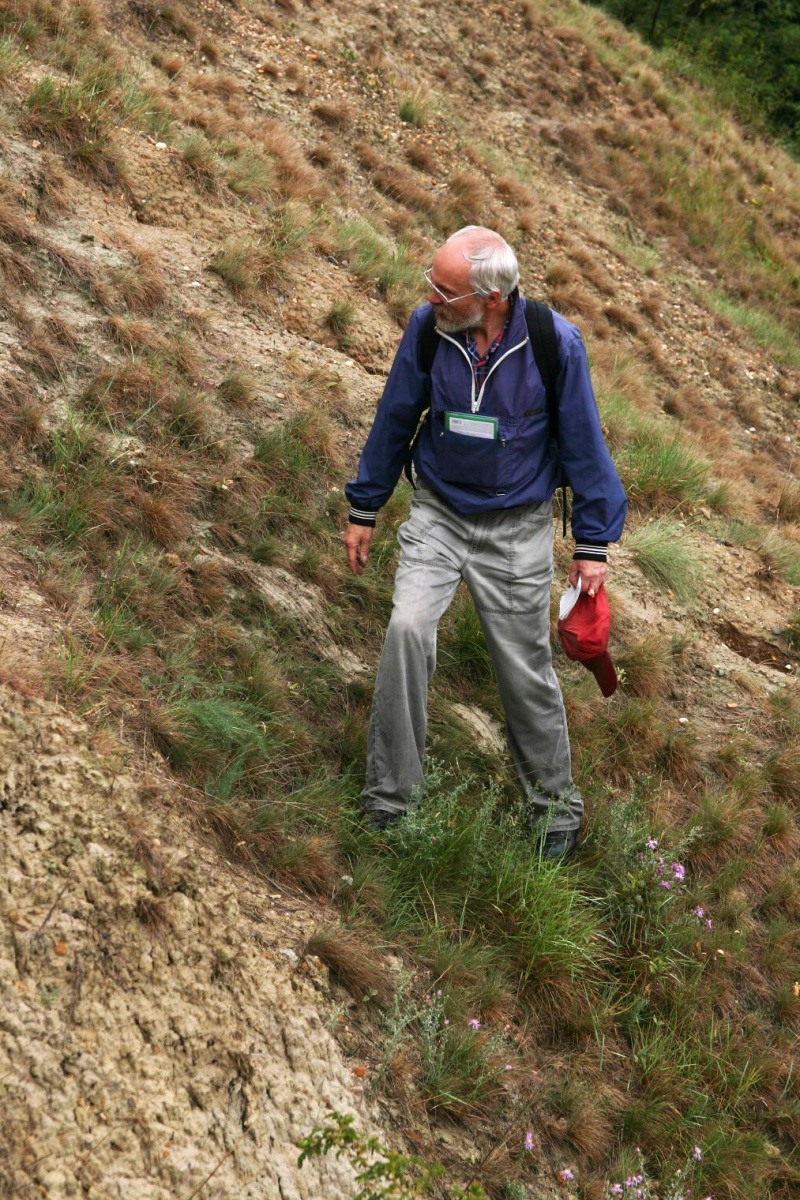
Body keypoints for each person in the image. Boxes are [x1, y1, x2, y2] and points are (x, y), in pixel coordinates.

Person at [344, 227, 626, 859]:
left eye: (444, 289)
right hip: (439, 514)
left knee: (524, 670)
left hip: (517, 530)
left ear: (492, 296)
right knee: (407, 630)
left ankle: (554, 809)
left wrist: (592, 545)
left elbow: (585, 446)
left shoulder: (554, 344)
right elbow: (395, 415)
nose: (430, 297)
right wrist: (366, 504)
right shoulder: (428, 330)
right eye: (432, 285)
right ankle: (390, 800)